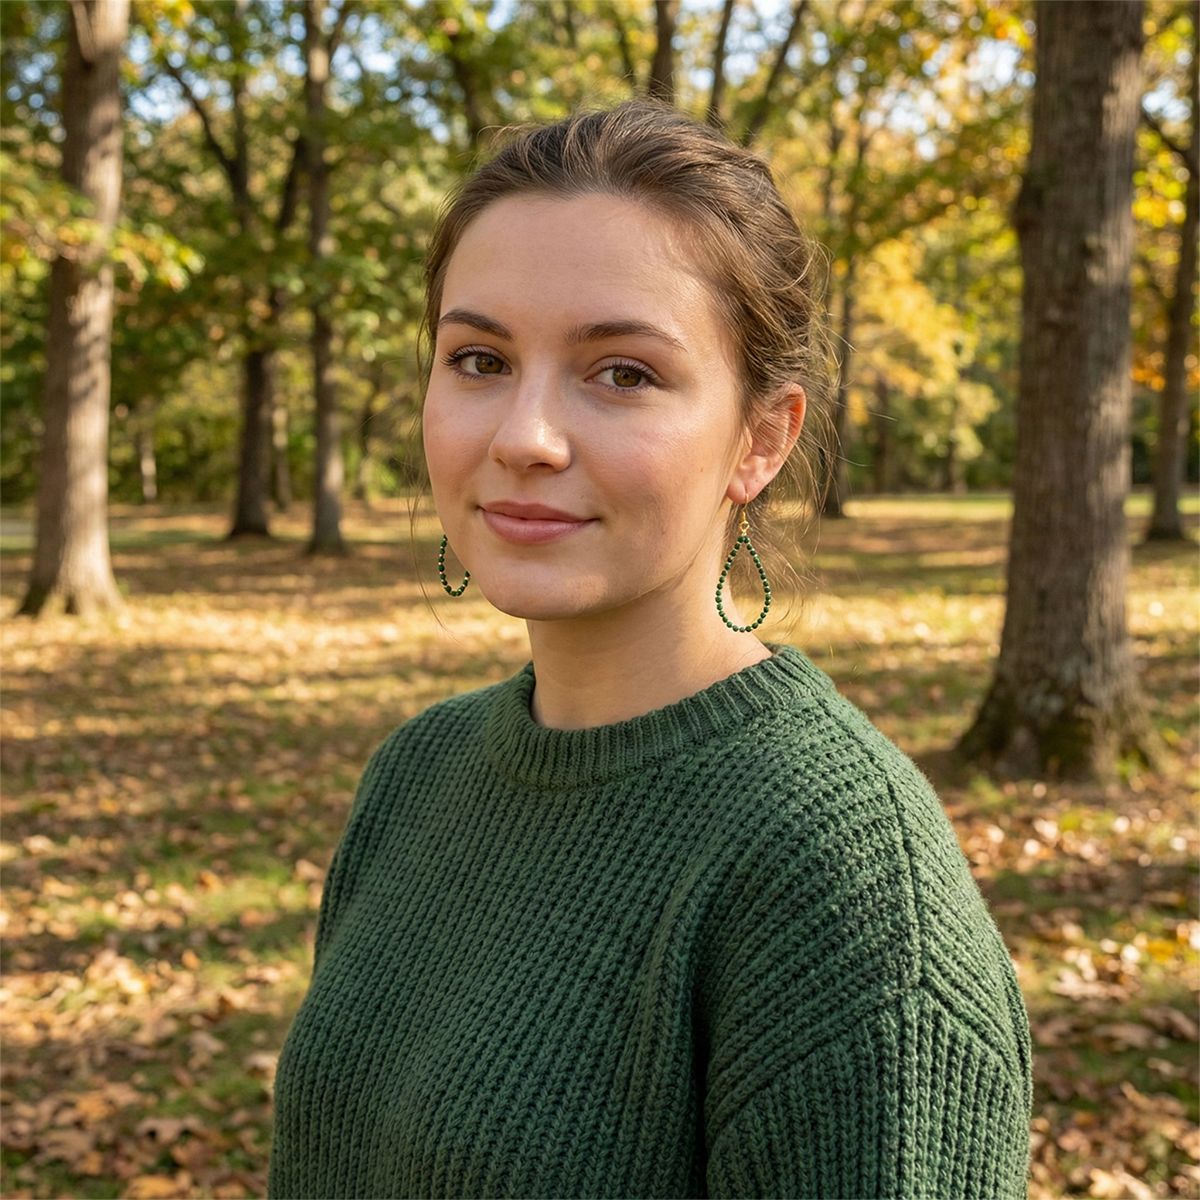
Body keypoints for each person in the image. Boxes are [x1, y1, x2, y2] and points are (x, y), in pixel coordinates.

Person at [268, 102, 1032, 1200]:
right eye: (478, 358)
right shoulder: (417, 773)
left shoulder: (845, 890)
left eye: (623, 373)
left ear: (762, 438)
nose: (523, 437)